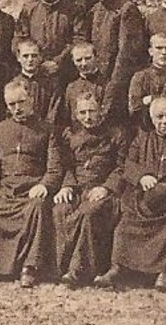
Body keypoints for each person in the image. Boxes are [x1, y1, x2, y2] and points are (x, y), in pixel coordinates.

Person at [97, 96, 166, 292]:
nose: (164, 121)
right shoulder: (142, 139)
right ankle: (119, 268)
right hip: (144, 199)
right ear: (152, 120)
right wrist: (142, 176)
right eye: (159, 117)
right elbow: (128, 164)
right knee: (125, 221)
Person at [0, 80, 60, 288]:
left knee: (37, 206)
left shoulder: (47, 130)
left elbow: (55, 168)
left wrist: (44, 184)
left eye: (21, 102)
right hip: (6, 189)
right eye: (11, 104)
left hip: (32, 188)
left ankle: (30, 267)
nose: (17, 108)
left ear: (32, 100)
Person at [50, 91, 125, 288]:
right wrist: (66, 186)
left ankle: (79, 270)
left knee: (88, 212)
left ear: (101, 111)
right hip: (78, 190)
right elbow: (67, 166)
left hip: (105, 192)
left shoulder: (115, 134)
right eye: (82, 112)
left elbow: (122, 167)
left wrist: (107, 188)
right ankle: (61, 267)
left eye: (92, 111)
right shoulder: (72, 137)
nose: (88, 117)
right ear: (75, 114)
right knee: (60, 209)